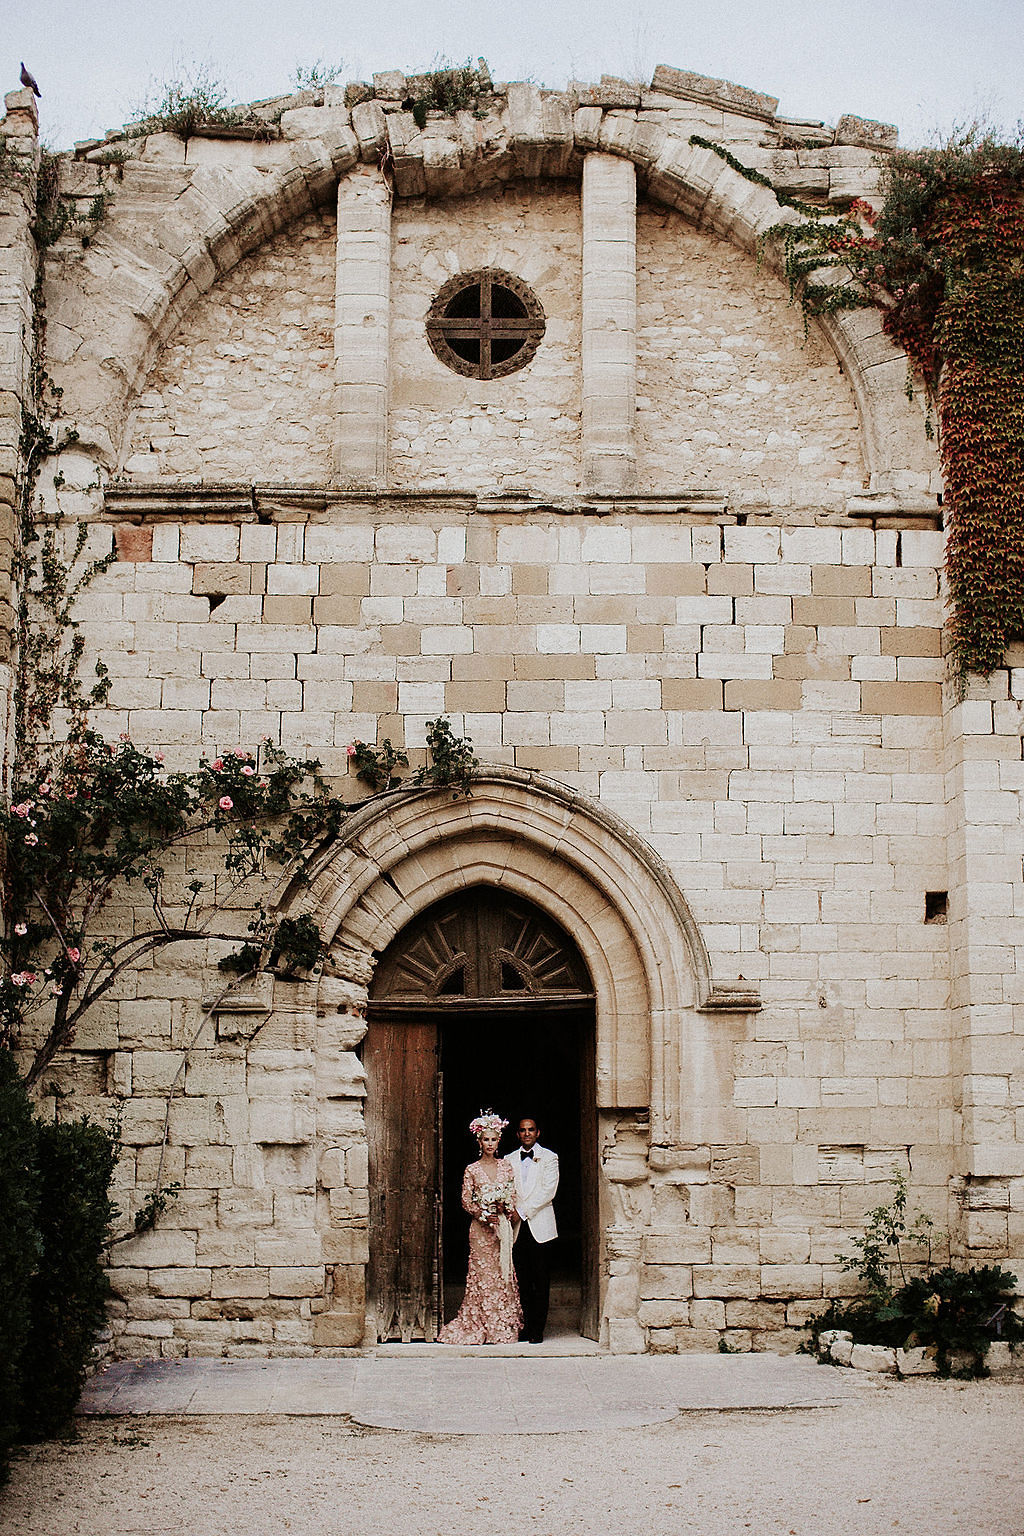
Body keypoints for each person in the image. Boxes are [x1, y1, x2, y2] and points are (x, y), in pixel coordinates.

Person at [437, 1111, 523, 1345]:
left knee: (502, 1273)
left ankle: (501, 1325)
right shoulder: (472, 1169)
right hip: (481, 1230)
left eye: (494, 1140)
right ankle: (479, 1322)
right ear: (479, 1141)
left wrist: (504, 1208)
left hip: (501, 1229)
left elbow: (512, 1194)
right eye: (486, 1139)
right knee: (482, 1274)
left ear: (499, 1141)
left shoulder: (506, 1167)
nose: (490, 1144)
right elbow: (466, 1201)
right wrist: (484, 1214)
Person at [505, 1116, 559, 1343]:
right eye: (523, 1130)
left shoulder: (549, 1157)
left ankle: (538, 1328)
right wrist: (510, 1210)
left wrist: (523, 1211)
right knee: (523, 1280)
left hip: (541, 1226)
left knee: (540, 1279)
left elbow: (548, 1191)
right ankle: (526, 1325)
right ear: (517, 1134)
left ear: (538, 1133)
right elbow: (506, 1189)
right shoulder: (508, 1160)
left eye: (531, 1130)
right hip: (517, 1229)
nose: (527, 1133)